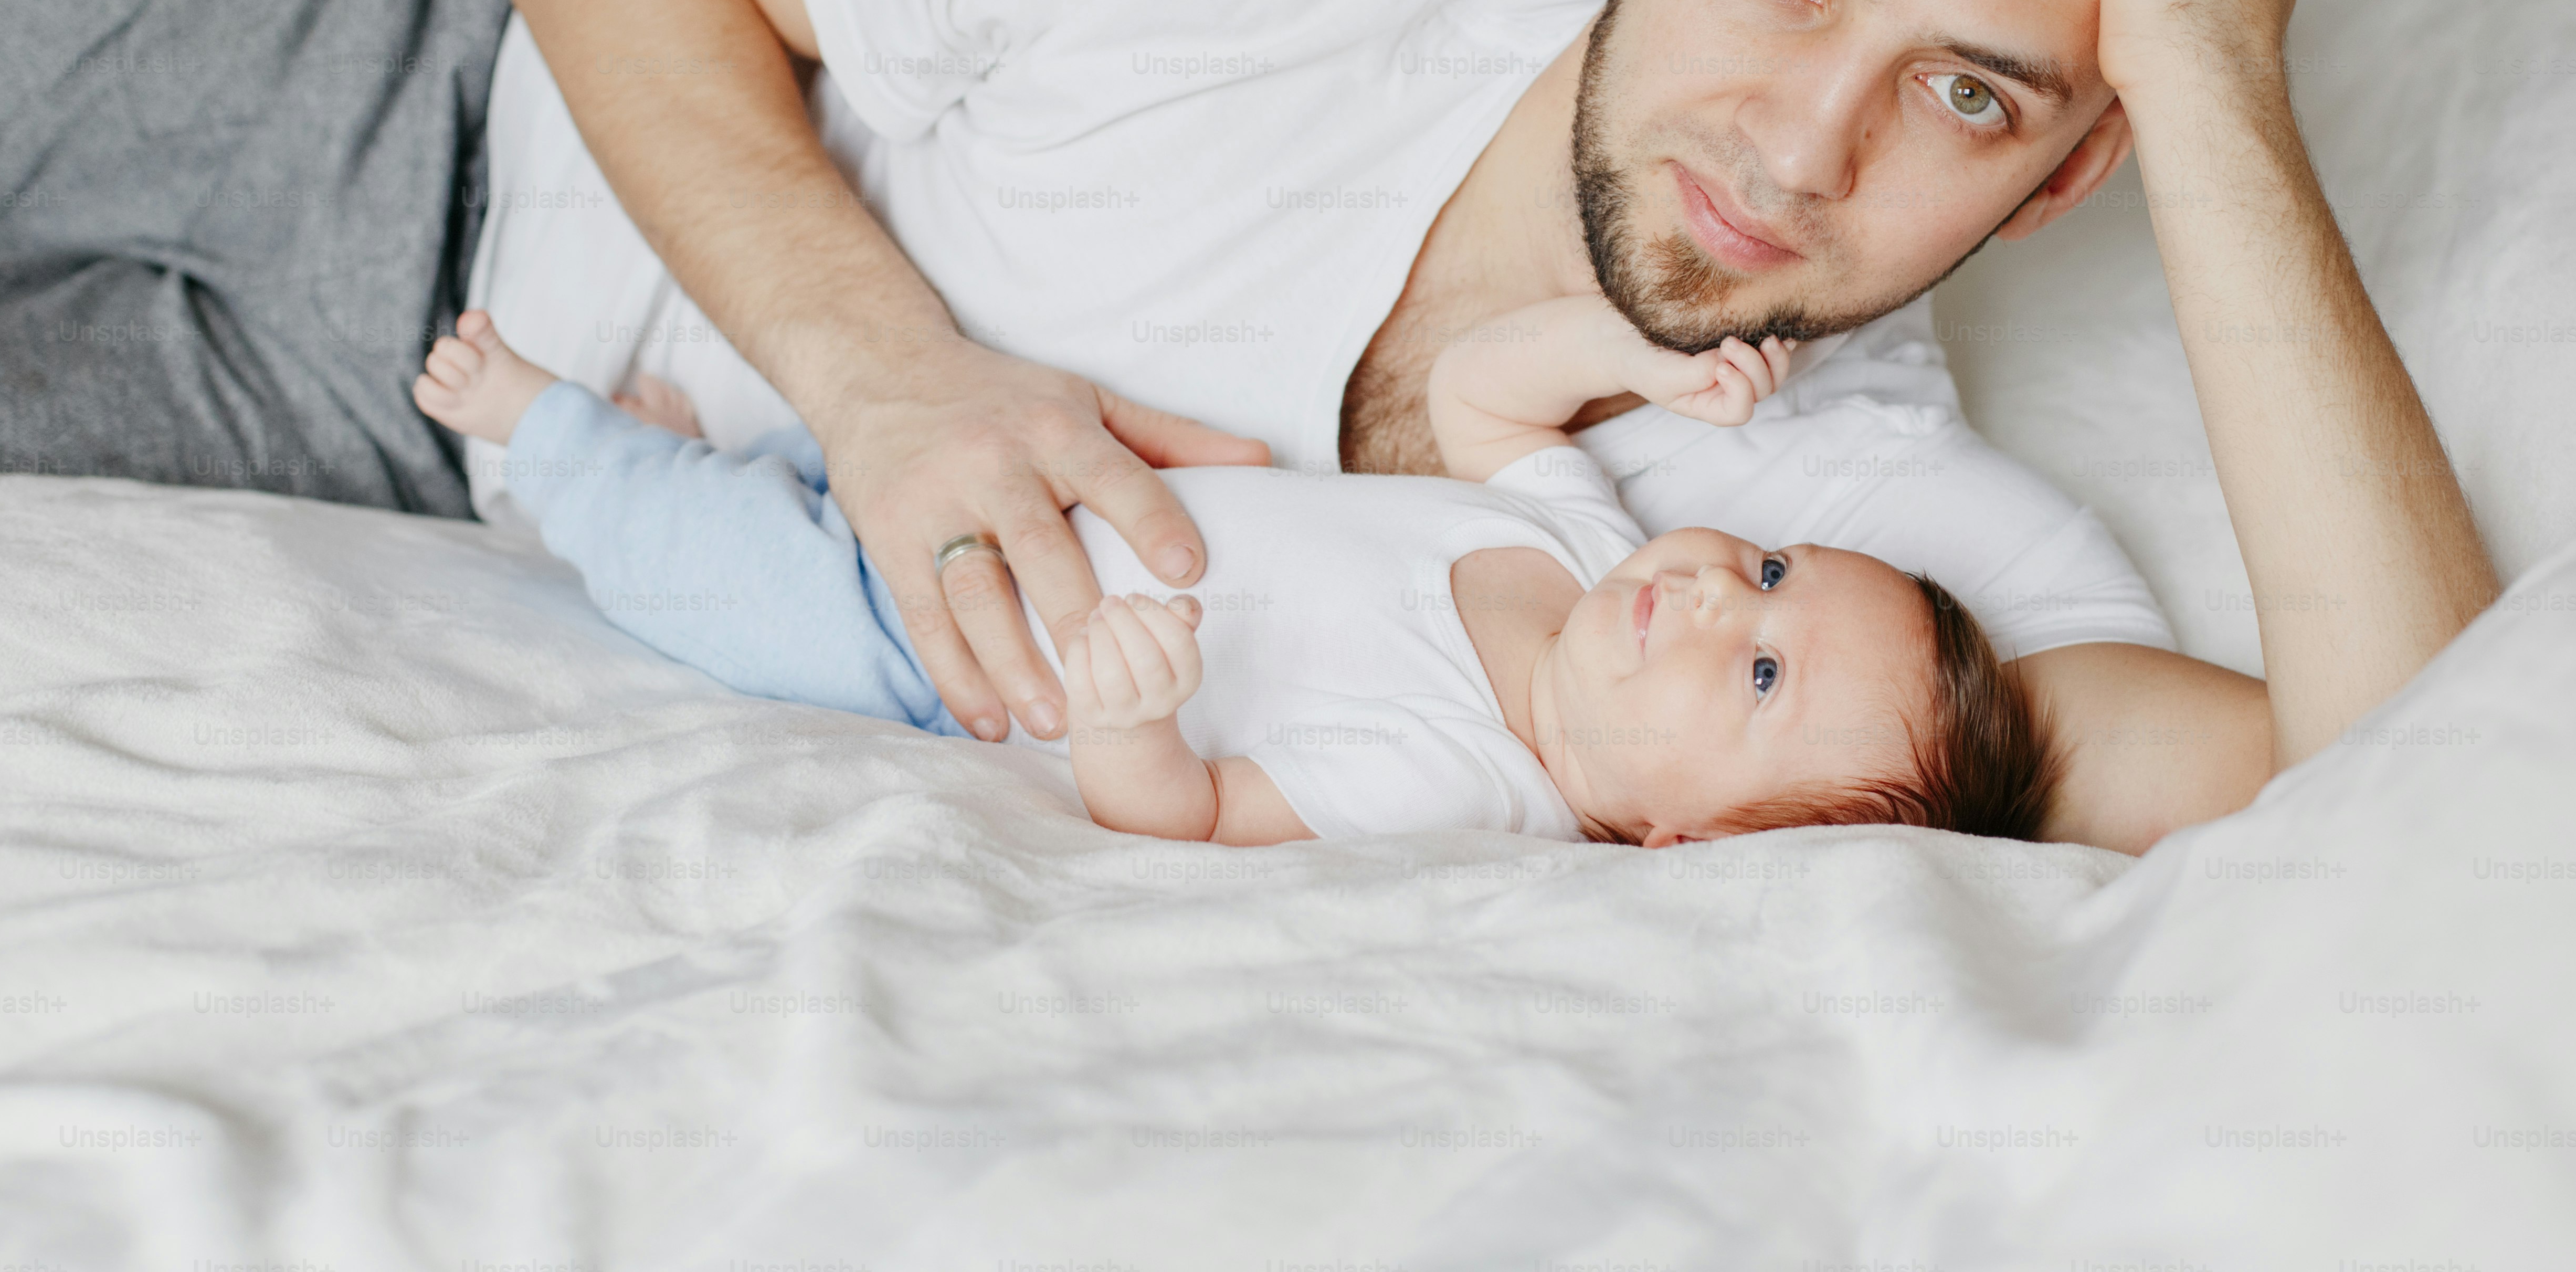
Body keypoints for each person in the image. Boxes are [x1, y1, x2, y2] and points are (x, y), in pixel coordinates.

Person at [0, 0, 2499, 853]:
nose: (1803, 150)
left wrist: (2217, 83)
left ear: (2068, 170)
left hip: (427, 455)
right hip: (410, 40)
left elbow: (2426, 796)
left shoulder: (1839, 541)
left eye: (1969, 97)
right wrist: (887, 373)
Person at [412, 291, 2053, 847]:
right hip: (1061, 496)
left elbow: (1190, 819)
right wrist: (1638, 349)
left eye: (1761, 672)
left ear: (1679, 833)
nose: (1719, 596)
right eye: (1770, 565)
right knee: (847, 471)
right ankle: (713, 450)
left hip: (967, 651)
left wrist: (1130, 717)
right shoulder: (1582, 545)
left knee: (745, 594)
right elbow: (1486, 389)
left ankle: (552, 448)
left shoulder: (1465, 775)